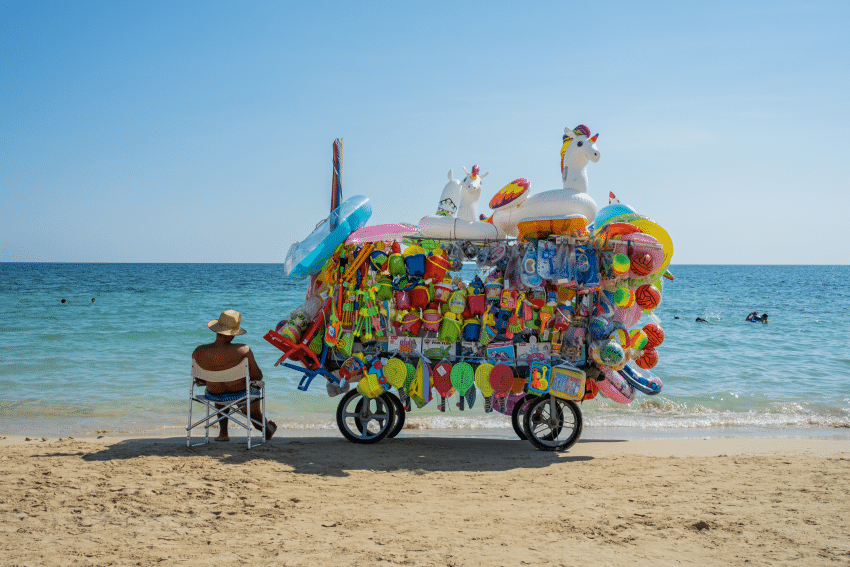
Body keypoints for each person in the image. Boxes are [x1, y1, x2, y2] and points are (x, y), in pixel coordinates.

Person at [192, 310, 276, 441]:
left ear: (217, 330)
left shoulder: (198, 351)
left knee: (218, 388)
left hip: (213, 394)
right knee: (252, 391)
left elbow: (199, 380)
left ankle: (223, 433)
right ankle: (266, 428)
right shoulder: (243, 350)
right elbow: (257, 376)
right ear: (234, 334)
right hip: (241, 394)